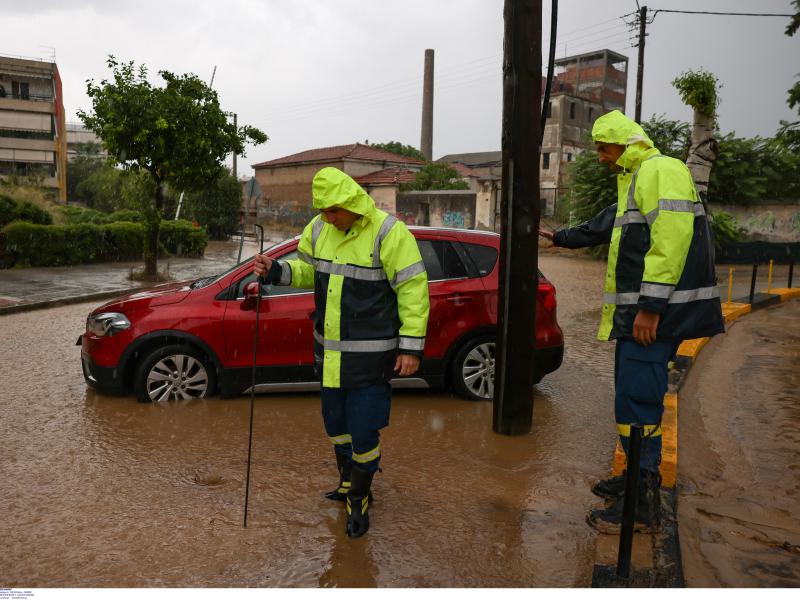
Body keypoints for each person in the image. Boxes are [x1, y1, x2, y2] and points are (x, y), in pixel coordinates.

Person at [539, 110, 724, 534]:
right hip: (642, 317)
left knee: (639, 402)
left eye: (603, 148)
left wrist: (651, 306)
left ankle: (642, 504)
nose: (600, 157)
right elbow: (607, 225)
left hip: (656, 318)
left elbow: (670, 241)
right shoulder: (636, 179)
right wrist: (560, 237)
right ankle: (635, 477)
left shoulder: (661, 170)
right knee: (629, 401)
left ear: (624, 144)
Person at [253, 166, 429, 538]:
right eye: (322, 211)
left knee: (363, 433)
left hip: (370, 359)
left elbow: (413, 290)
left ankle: (359, 501)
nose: (328, 218)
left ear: (352, 203)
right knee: (336, 429)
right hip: (329, 357)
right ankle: (348, 482)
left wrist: (411, 347)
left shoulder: (388, 232)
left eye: (333, 211)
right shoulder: (319, 229)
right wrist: (275, 270)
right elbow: (308, 272)